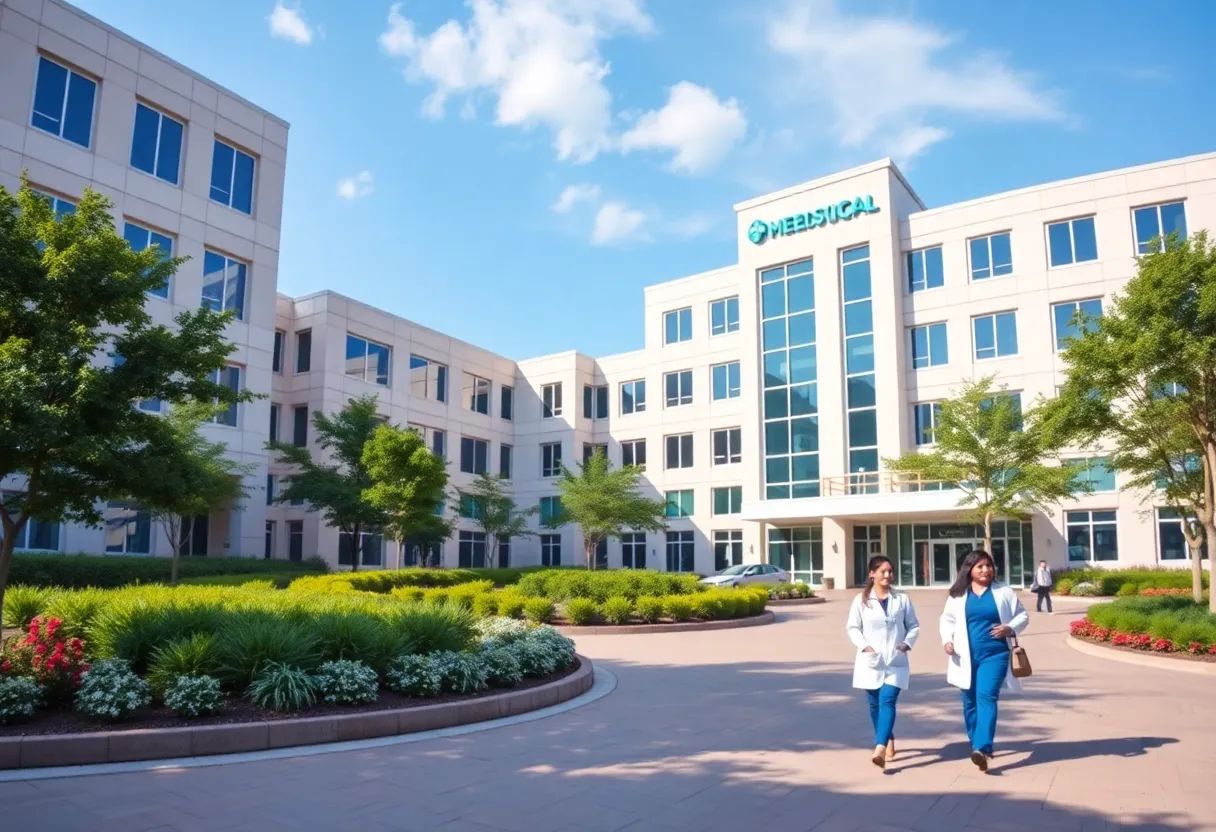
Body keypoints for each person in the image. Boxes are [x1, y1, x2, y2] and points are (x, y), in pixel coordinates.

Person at [939, 550, 1029, 773]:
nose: (985, 570)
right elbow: (947, 620)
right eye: (980, 566)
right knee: (969, 701)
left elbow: (1022, 615)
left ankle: (983, 747)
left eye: (988, 566)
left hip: (995, 654)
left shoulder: (1003, 592)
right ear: (969, 569)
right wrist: (947, 641)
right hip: (965, 655)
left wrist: (1010, 628)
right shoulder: (958, 595)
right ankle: (976, 744)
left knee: (986, 696)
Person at [846, 555, 921, 770]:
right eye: (883, 571)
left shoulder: (902, 599)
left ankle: (879, 747)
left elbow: (914, 626)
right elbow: (852, 627)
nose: (888, 575)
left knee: (887, 700)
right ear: (872, 574)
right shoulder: (861, 600)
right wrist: (864, 646)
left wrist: (906, 644)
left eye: (890, 571)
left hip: (896, 659)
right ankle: (887, 737)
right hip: (870, 660)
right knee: (874, 704)